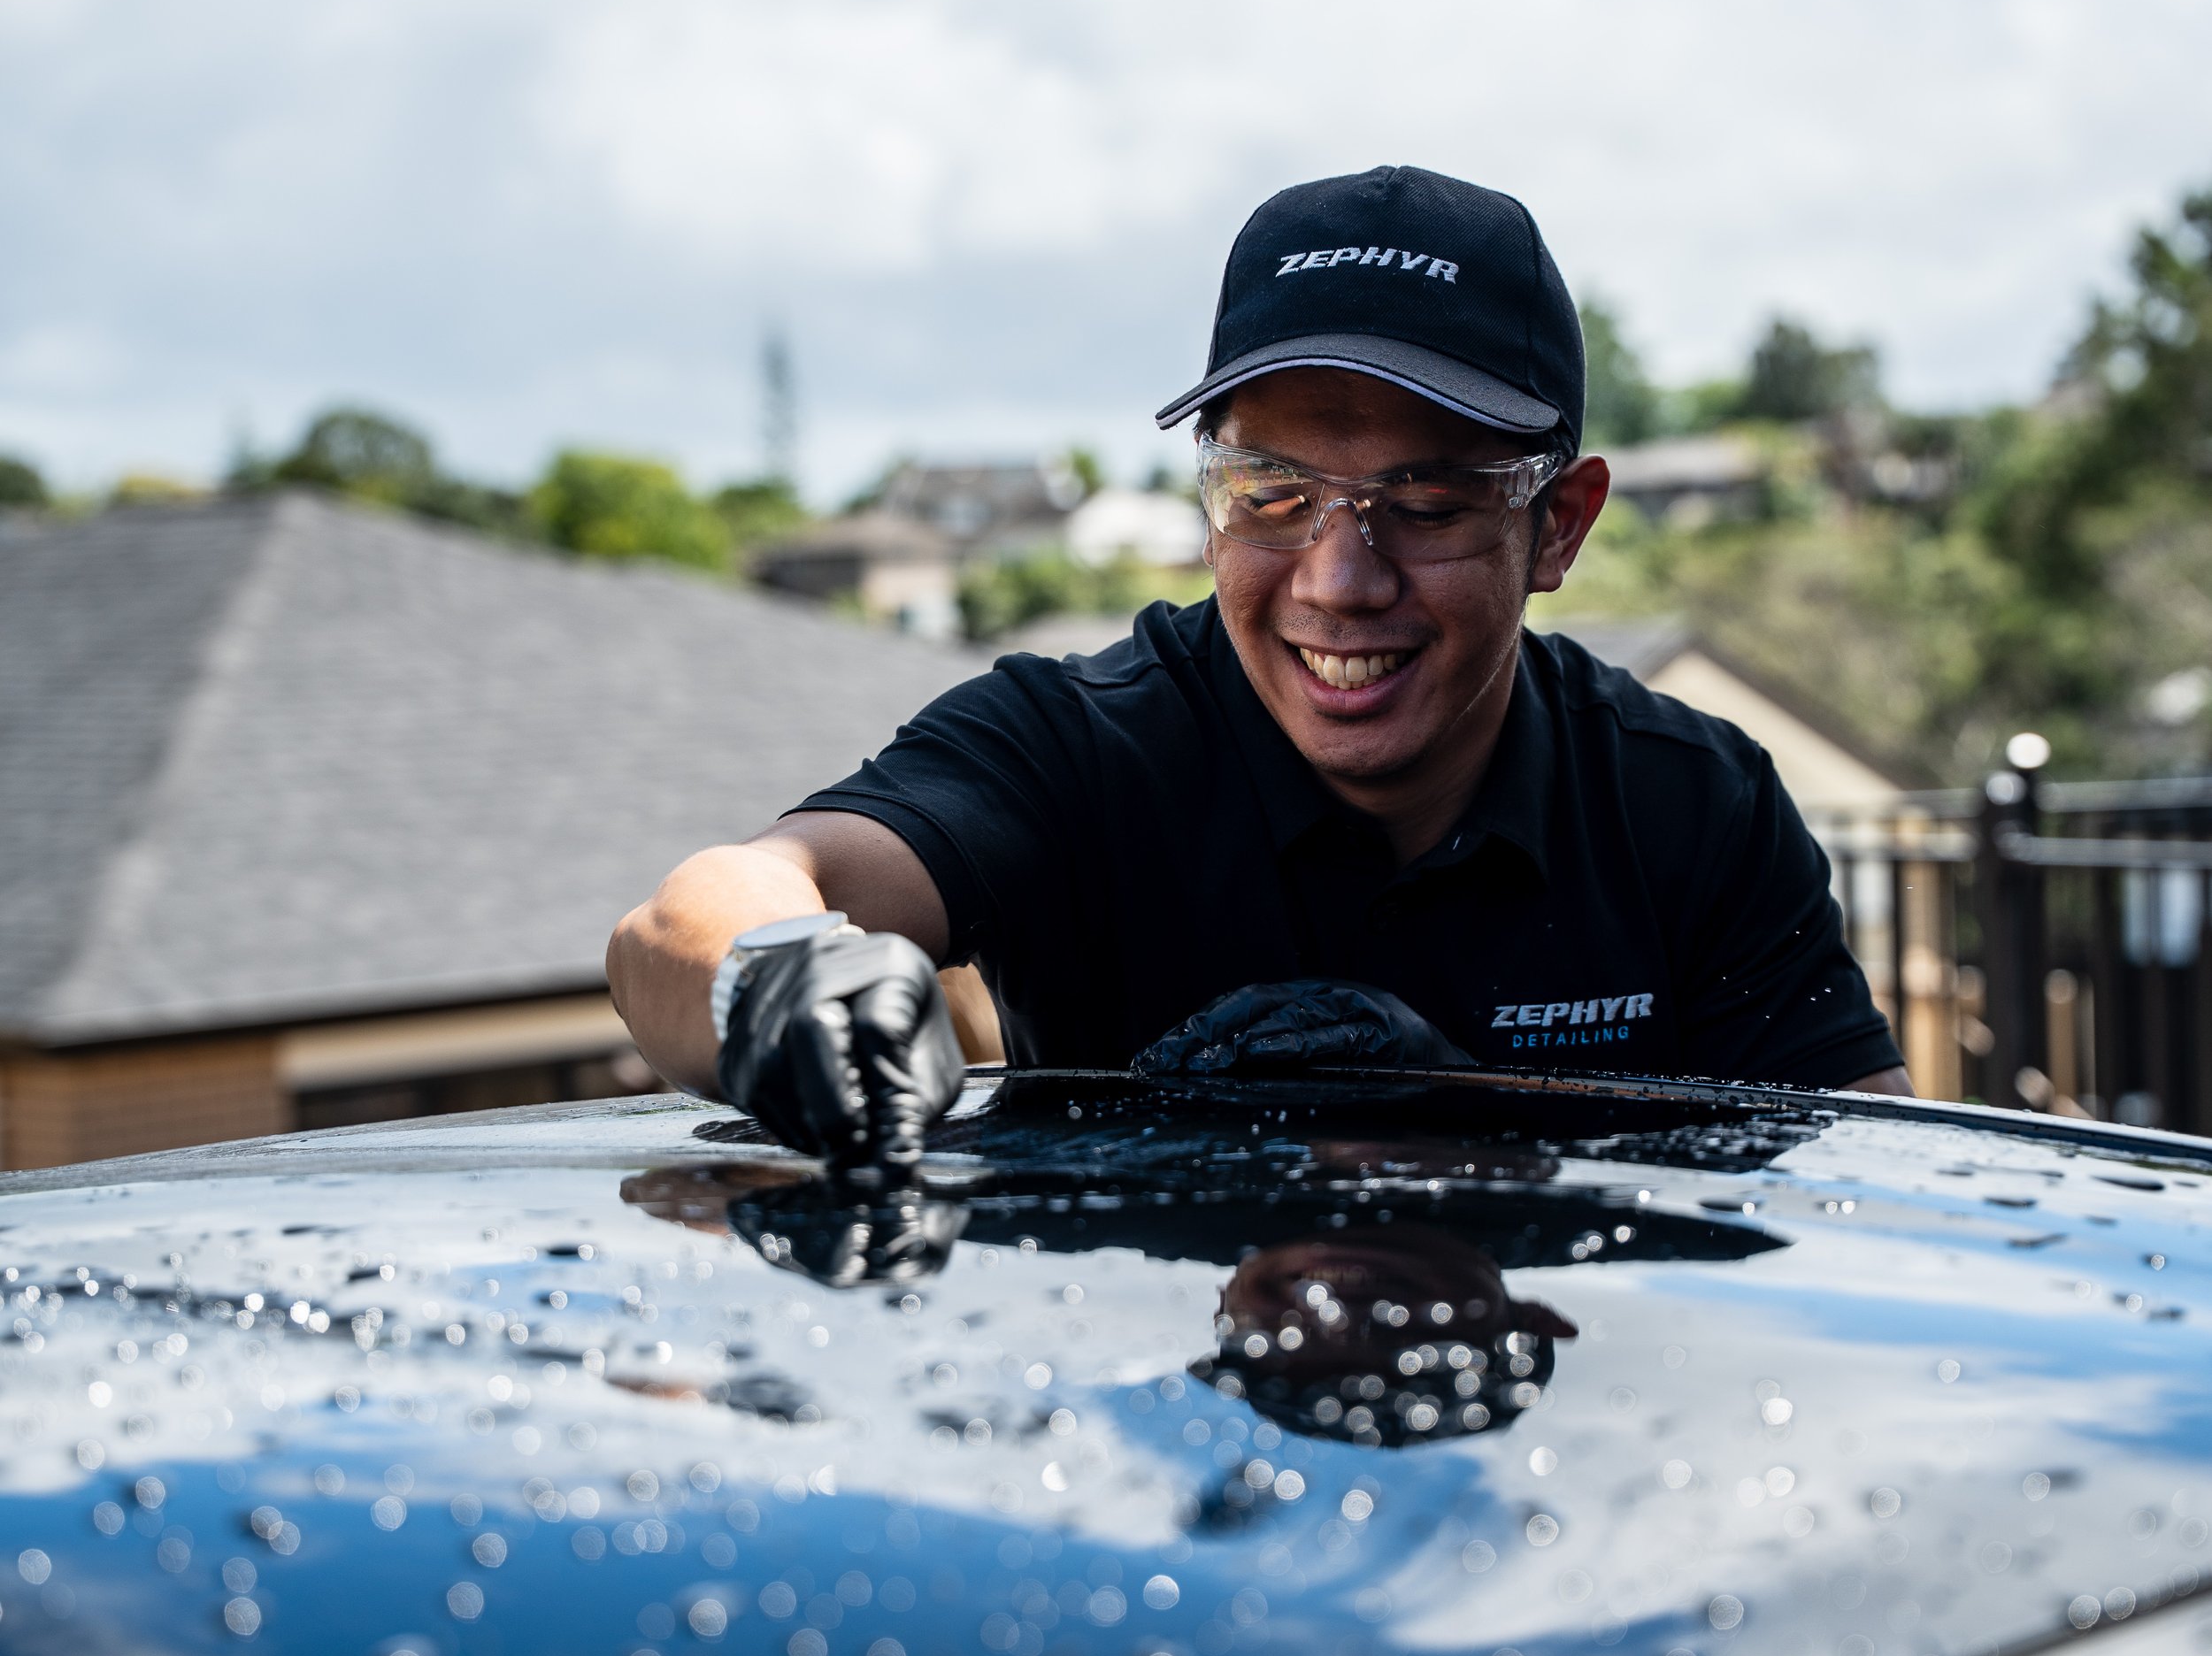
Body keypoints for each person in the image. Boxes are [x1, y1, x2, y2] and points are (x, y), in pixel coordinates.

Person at [609, 164, 1908, 1165]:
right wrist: (780, 984)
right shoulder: (1083, 750)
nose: (1340, 581)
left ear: (1557, 524)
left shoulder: (1692, 805)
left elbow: (1869, 1200)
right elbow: (697, 916)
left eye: (1430, 502)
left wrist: (1469, 1121)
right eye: (1274, 494)